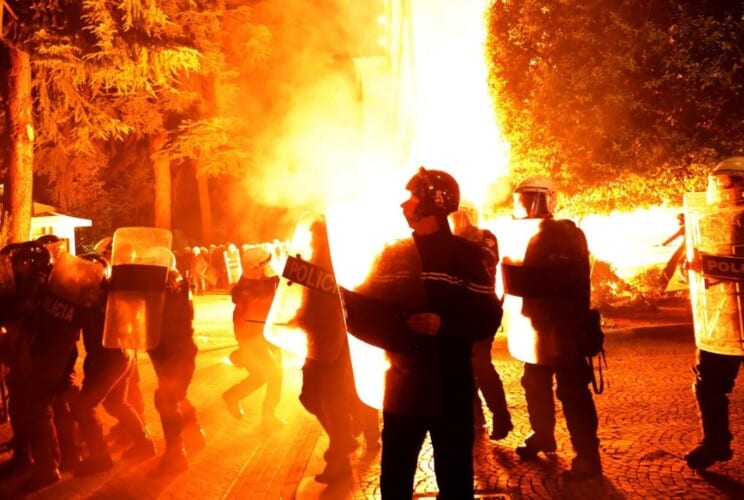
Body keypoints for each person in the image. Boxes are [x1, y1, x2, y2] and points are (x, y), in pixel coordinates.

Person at [345, 167, 502, 499]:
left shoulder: (467, 256)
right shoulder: (392, 254)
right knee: (396, 477)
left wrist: (443, 324)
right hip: (404, 382)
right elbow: (365, 308)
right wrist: (332, 296)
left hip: (451, 383)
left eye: (412, 197)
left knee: (455, 475)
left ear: (433, 203)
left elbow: (487, 317)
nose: (404, 206)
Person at [502, 176, 601, 481]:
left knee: (572, 390)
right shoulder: (534, 234)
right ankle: (542, 434)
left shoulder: (564, 233)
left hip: (565, 327)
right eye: (520, 200)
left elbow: (562, 281)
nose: (522, 206)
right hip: (539, 329)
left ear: (546, 200)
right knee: (533, 382)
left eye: (528, 199)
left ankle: (587, 456)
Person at [293, 216, 380, 484]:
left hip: (325, 344)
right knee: (339, 398)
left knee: (319, 398)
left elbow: (319, 307)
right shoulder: (337, 263)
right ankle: (351, 441)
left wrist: (301, 318)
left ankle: (341, 450)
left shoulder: (321, 266)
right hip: (338, 343)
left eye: (313, 234)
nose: (310, 239)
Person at [684, 156, 744, 470]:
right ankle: (715, 442)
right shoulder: (710, 221)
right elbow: (696, 264)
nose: (722, 190)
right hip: (724, 318)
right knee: (708, 383)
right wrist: (691, 269)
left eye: (728, 183)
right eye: (719, 184)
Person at [450, 202, 513, 440]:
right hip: (457, 313)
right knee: (462, 366)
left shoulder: (485, 238)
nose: (458, 220)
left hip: (481, 311)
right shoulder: (449, 242)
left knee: (480, 363)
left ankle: (501, 416)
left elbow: (485, 264)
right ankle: (475, 418)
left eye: (460, 216)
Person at [146, 263, 207, 476]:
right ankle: (195, 433)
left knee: (165, 400)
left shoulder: (172, 291)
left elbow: (168, 326)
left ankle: (176, 455)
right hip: (171, 354)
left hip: (176, 354)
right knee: (177, 396)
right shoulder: (177, 286)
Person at [222, 246, 284, 429]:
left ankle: (268, 415)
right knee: (272, 373)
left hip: (271, 336)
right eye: (266, 263)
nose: (269, 265)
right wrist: (248, 347)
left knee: (271, 375)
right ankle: (238, 398)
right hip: (257, 339)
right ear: (257, 267)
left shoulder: (270, 280)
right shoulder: (247, 290)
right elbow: (244, 323)